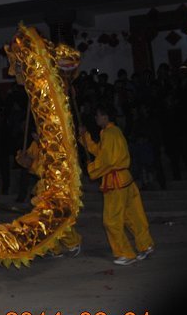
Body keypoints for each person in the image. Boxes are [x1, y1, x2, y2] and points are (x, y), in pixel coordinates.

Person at [80, 105, 154, 266]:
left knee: (111, 220)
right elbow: (101, 152)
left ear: (105, 116)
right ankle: (145, 245)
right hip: (125, 179)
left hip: (116, 182)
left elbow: (107, 160)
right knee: (132, 215)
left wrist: (91, 168)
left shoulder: (109, 134)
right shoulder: (113, 132)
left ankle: (126, 253)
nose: (96, 118)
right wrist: (85, 137)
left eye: (98, 115)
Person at [15, 128, 81, 257]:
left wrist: (32, 164)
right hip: (42, 187)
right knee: (45, 219)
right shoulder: (35, 145)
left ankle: (73, 242)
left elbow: (48, 169)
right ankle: (54, 248)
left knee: (56, 217)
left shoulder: (52, 145)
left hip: (54, 187)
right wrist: (23, 159)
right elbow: (29, 160)